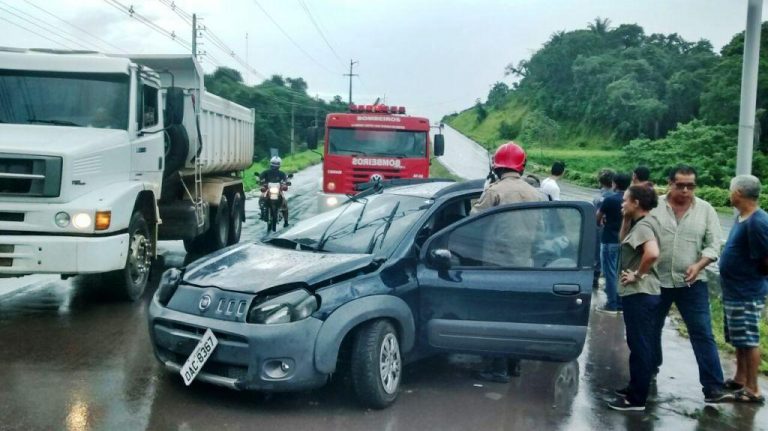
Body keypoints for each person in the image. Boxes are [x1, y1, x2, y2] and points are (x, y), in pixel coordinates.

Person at [650, 165, 731, 403]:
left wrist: (699, 264)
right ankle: (650, 371)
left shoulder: (706, 210)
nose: (685, 190)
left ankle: (713, 387)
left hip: (692, 283)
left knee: (703, 333)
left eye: (690, 186)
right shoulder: (655, 207)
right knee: (651, 329)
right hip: (658, 280)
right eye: (680, 185)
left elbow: (713, 244)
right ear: (670, 183)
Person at [471, 141, 542, 383]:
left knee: (496, 317)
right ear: (521, 166)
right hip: (525, 264)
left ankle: (497, 369)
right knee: (516, 317)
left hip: (496, 264)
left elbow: (473, 221)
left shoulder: (494, 191)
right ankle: (515, 365)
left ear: (497, 167)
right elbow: (541, 228)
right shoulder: (535, 193)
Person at [608, 185, 661, 411]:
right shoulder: (639, 223)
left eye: (626, 200)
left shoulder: (646, 225)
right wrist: (625, 219)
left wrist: (637, 274)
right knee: (637, 343)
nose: (622, 203)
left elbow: (652, 253)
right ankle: (634, 387)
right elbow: (623, 241)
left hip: (641, 293)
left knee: (640, 345)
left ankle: (637, 399)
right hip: (640, 294)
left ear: (636, 203)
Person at [719, 174, 768, 404]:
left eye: (731, 190)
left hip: (747, 291)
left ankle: (753, 389)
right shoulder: (742, 217)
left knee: (748, 339)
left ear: (738, 193)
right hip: (733, 290)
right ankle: (740, 379)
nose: (730, 195)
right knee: (738, 338)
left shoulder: (758, 221)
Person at [596, 172, 631, 314]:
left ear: (614, 184)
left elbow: (597, 218)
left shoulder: (609, 200)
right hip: (626, 241)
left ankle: (612, 304)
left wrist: (602, 221)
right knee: (622, 272)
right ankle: (621, 302)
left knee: (610, 273)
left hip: (609, 239)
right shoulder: (631, 200)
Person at [593, 169, 615, 289]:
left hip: (599, 227)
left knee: (597, 251)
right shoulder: (615, 196)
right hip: (612, 228)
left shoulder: (599, 197)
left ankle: (595, 276)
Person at [259, 156, 289, 227]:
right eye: (273, 164)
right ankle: (262, 210)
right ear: (271, 164)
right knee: (261, 198)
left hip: (278, 190)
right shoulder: (266, 172)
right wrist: (260, 182)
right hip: (268, 189)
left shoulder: (282, 173)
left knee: (284, 203)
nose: (275, 166)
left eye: (277, 164)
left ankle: (286, 221)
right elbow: (260, 177)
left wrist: (286, 184)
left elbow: (285, 180)